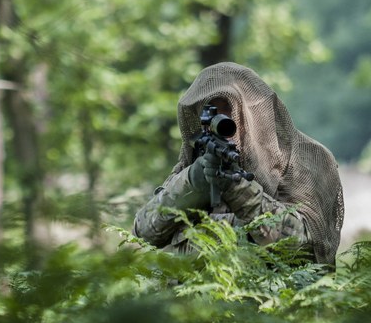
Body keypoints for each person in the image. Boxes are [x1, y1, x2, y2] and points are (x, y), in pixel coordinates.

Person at [133, 62, 345, 265]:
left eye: (228, 108)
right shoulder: (196, 161)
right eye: (211, 111)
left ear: (252, 111)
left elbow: (309, 251)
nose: (221, 120)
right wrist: (192, 183)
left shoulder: (307, 159)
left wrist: (236, 188)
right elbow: (144, 232)